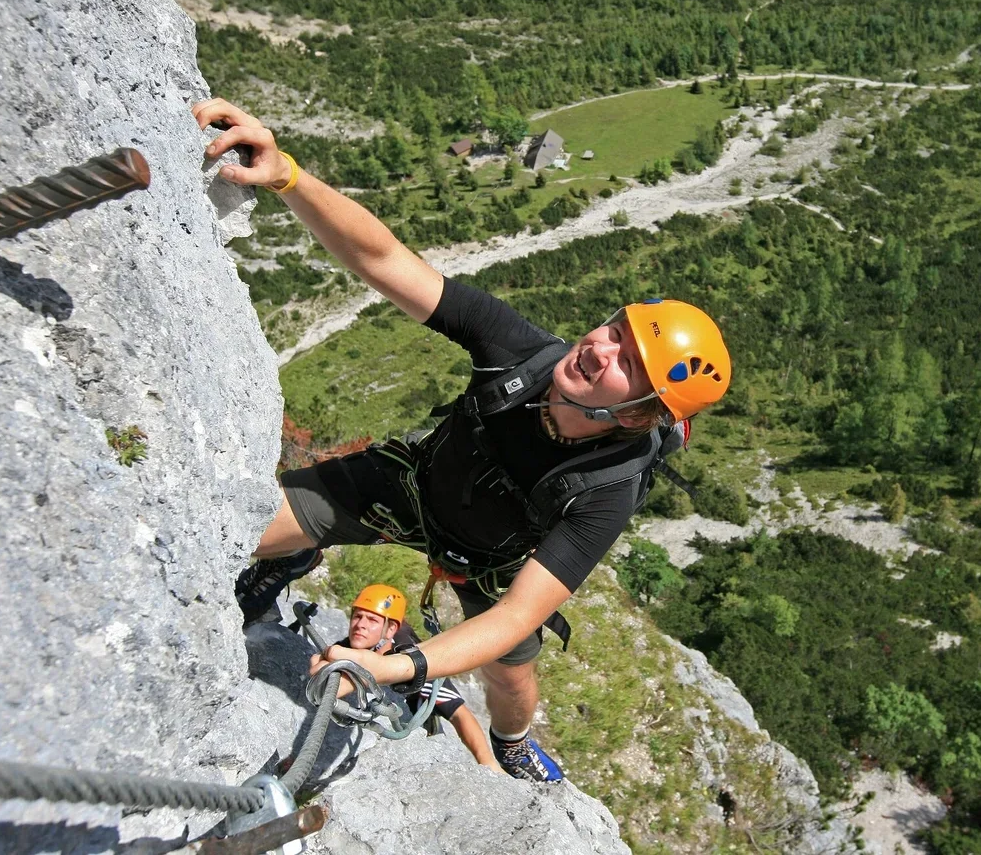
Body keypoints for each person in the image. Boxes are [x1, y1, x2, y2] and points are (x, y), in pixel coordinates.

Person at [194, 98, 731, 782]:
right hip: (410, 488)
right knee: (227, 531)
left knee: (511, 678)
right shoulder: (520, 353)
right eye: (615, 330)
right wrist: (287, 177)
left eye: (627, 362)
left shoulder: (609, 488)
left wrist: (394, 666)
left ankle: (513, 745)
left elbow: (513, 619)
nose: (600, 349)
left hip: (491, 561)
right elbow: (385, 260)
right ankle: (292, 554)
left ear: (636, 415)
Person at [319, 584, 498, 770]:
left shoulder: (413, 662)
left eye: (372, 620)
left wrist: (487, 762)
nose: (360, 625)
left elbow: (459, 713)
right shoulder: (350, 645)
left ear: (390, 630)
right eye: (357, 616)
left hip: (415, 723)